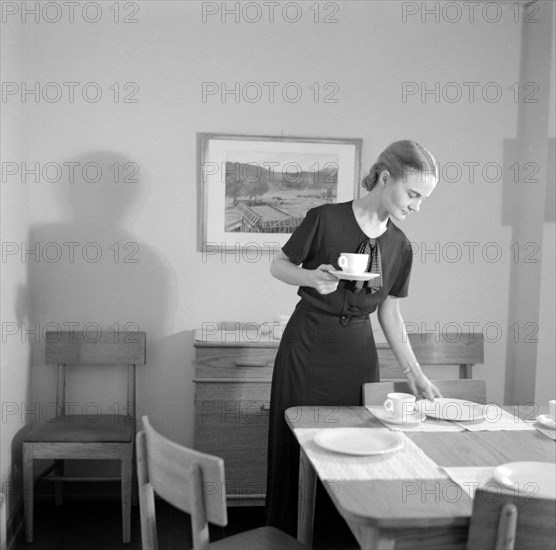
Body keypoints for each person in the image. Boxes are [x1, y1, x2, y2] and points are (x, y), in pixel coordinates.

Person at [265, 140, 443, 537]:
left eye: (422, 199)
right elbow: (278, 265)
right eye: (413, 194)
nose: (417, 206)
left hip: (358, 355)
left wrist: (413, 372)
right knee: (298, 445)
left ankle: (342, 537)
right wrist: (310, 277)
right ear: (384, 178)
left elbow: (390, 312)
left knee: (355, 448)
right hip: (307, 345)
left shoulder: (401, 245)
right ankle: (288, 536)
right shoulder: (325, 218)